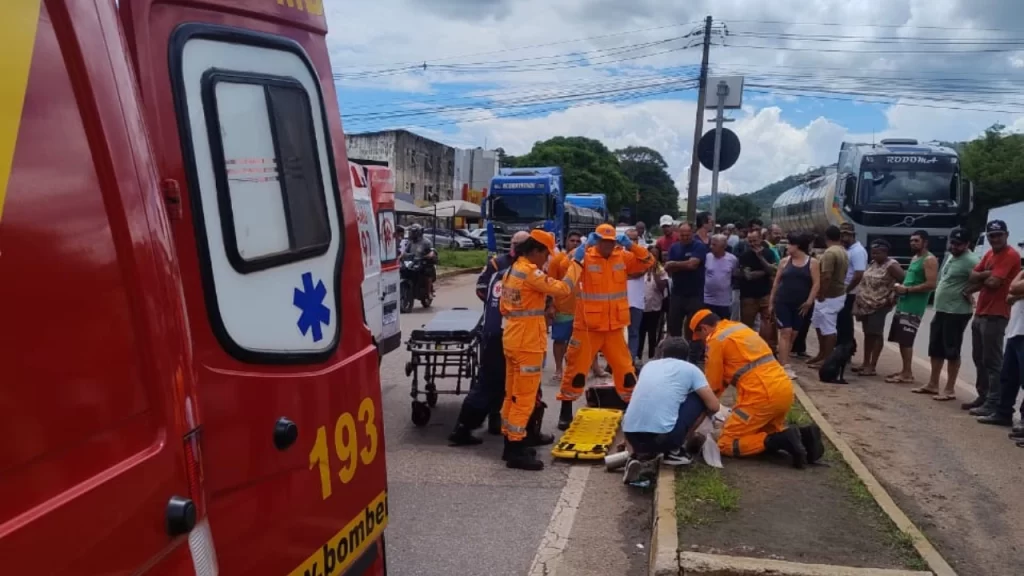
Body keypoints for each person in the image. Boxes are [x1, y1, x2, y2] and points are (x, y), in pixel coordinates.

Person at [691, 310, 824, 468]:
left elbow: (713, 386)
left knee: (726, 443)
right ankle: (804, 436)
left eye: (700, 338)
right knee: (757, 433)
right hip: (783, 390)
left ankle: (782, 439)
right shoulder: (739, 328)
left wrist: (699, 411)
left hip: (760, 396)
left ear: (705, 328)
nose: (702, 343)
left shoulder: (716, 340)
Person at [499, 230, 582, 470]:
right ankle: (516, 449)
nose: (546, 260)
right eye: (546, 255)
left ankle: (511, 440)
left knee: (511, 394)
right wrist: (576, 262)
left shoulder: (512, 269)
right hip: (527, 343)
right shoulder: (529, 272)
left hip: (513, 338)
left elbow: (505, 308)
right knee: (524, 398)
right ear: (535, 251)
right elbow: (563, 289)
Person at [557, 224, 654, 429]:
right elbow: (564, 266)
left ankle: (631, 410)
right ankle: (565, 412)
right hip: (587, 327)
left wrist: (632, 246)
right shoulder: (585, 256)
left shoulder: (623, 257)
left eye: (611, 242)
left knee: (626, 371)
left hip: (614, 328)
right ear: (597, 240)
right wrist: (580, 249)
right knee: (576, 371)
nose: (608, 246)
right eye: (604, 241)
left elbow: (649, 261)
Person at [622, 337, 722, 474]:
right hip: (664, 438)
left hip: (631, 436)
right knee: (700, 399)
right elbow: (714, 406)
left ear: (662, 353)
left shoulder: (648, 366)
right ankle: (674, 451)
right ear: (686, 355)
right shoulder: (691, 369)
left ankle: (636, 455)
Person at [964, 219, 1022, 417]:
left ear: (1006, 235)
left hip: (996, 314)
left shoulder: (1010, 255)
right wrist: (986, 275)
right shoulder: (989, 254)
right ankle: (984, 395)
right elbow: (972, 276)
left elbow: (994, 283)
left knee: (992, 361)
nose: (995, 238)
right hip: (981, 311)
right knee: (979, 358)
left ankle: (993, 401)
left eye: (999, 235)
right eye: (992, 235)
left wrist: (985, 275)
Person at [915, 229, 978, 399]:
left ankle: (949, 389)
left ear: (967, 244)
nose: (954, 246)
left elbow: (984, 278)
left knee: (951, 349)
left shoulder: (971, 260)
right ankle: (933, 383)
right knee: (936, 348)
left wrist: (970, 291)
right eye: (953, 243)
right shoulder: (951, 255)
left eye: (958, 244)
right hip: (942, 309)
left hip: (957, 311)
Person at [885, 230, 937, 384]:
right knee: (902, 339)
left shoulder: (929, 260)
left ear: (925, 242)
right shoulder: (915, 258)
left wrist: (907, 290)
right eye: (911, 241)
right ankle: (905, 370)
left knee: (907, 339)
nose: (913, 243)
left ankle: (907, 373)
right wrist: (899, 291)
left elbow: (931, 284)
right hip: (904, 303)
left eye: (916, 240)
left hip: (914, 306)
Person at [769, 233, 820, 380]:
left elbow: (816, 283)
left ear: (797, 246)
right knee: (786, 331)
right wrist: (771, 302)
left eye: (789, 244)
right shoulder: (784, 262)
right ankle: (785, 366)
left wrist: (810, 301)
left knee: (793, 335)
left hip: (801, 305)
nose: (787, 247)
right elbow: (776, 283)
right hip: (783, 302)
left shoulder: (812, 263)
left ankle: (782, 361)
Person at [852, 240, 903, 377]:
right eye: (873, 252)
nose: (874, 255)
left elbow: (904, 279)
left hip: (880, 304)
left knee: (875, 334)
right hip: (866, 304)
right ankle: (865, 362)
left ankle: (872, 366)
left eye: (878, 252)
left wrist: (893, 295)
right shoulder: (873, 264)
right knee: (867, 334)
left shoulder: (892, 265)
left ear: (885, 252)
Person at [986, 269, 1024, 433]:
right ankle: (1003, 413)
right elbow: (1009, 298)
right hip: (1016, 330)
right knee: (1008, 376)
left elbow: (1013, 288)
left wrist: (1020, 277)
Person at [807, 225, 849, 371]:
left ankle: (827, 357)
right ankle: (822, 353)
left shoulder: (830, 253)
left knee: (828, 327)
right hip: (835, 294)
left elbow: (826, 276)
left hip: (830, 295)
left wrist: (822, 293)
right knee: (819, 324)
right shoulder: (842, 251)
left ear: (826, 237)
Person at [665, 223, 709, 345]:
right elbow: (668, 268)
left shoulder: (699, 246)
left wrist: (675, 264)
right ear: (678, 234)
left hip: (695, 294)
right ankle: (676, 352)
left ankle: (693, 355)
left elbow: (693, 265)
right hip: (677, 293)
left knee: (693, 327)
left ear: (692, 233)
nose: (684, 237)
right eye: (682, 235)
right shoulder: (674, 247)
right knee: (674, 326)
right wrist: (683, 265)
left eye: (687, 235)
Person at [548, 230, 583, 383]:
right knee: (560, 341)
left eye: (578, 242)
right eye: (572, 240)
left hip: (580, 309)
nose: (574, 244)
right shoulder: (557, 260)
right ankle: (558, 369)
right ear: (566, 242)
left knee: (576, 343)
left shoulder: (584, 261)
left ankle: (572, 369)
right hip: (562, 307)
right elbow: (549, 283)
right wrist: (550, 306)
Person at [737, 229, 778, 345]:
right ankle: (747, 346)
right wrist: (765, 272)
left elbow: (771, 271)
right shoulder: (744, 256)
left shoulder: (769, 253)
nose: (752, 244)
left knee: (769, 321)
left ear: (760, 239)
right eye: (750, 241)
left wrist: (761, 258)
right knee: (747, 324)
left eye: (755, 240)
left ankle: (770, 347)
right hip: (748, 296)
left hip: (765, 293)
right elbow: (748, 275)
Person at [837, 223, 868, 356]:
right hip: (845, 291)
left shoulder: (858, 251)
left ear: (853, 235)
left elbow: (859, 274)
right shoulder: (847, 249)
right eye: (842, 235)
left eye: (846, 235)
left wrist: (846, 290)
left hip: (850, 292)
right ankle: (845, 347)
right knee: (841, 322)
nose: (843, 238)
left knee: (845, 322)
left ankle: (846, 350)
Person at [638, 245, 670, 361]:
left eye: (655, 255)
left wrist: (654, 271)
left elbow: (663, 288)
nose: (653, 257)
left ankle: (652, 357)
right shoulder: (639, 268)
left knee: (653, 333)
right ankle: (638, 357)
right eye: (650, 255)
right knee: (640, 333)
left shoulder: (661, 270)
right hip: (641, 307)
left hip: (655, 307)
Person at [703, 234, 739, 320]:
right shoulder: (707, 257)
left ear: (723, 246)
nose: (711, 247)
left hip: (724, 301)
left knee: (722, 326)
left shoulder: (732, 259)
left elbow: (734, 274)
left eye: (714, 245)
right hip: (707, 300)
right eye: (711, 244)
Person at [625, 227, 647, 363]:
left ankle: (631, 360)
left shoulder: (642, 255)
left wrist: (623, 275)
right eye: (629, 239)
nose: (632, 242)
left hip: (636, 302)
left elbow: (640, 272)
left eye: (634, 239)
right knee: (617, 335)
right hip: (619, 301)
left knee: (634, 333)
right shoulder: (617, 254)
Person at [405, 224, 437, 297]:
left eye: (414, 232)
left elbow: (432, 251)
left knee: (427, 274)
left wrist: (429, 255)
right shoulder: (410, 242)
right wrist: (402, 255)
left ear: (419, 232)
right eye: (412, 232)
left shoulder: (426, 242)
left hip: (423, 262)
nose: (412, 234)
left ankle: (429, 292)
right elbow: (406, 251)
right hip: (412, 262)